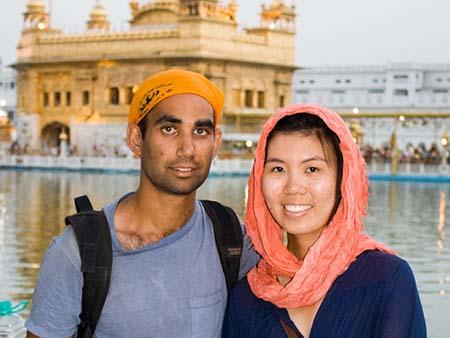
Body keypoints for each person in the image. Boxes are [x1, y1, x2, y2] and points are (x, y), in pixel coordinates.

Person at [25, 69, 259, 338]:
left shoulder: (231, 241)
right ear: (136, 139)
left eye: (200, 131)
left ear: (215, 142)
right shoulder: (76, 254)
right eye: (169, 129)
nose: (187, 149)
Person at [223, 104, 426, 338]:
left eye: (312, 169)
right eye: (278, 168)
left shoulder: (385, 278)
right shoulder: (248, 296)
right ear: (259, 178)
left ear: (343, 179)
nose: (293, 187)